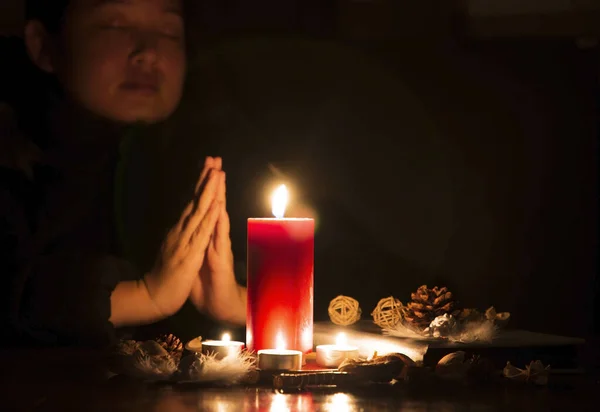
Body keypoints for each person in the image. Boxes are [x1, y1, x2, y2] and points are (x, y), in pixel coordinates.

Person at [0, 0, 246, 347]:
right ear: (43, 45)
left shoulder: (222, 162)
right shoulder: (14, 163)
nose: (148, 53)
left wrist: (243, 303)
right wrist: (141, 297)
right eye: (114, 26)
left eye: (167, 31)